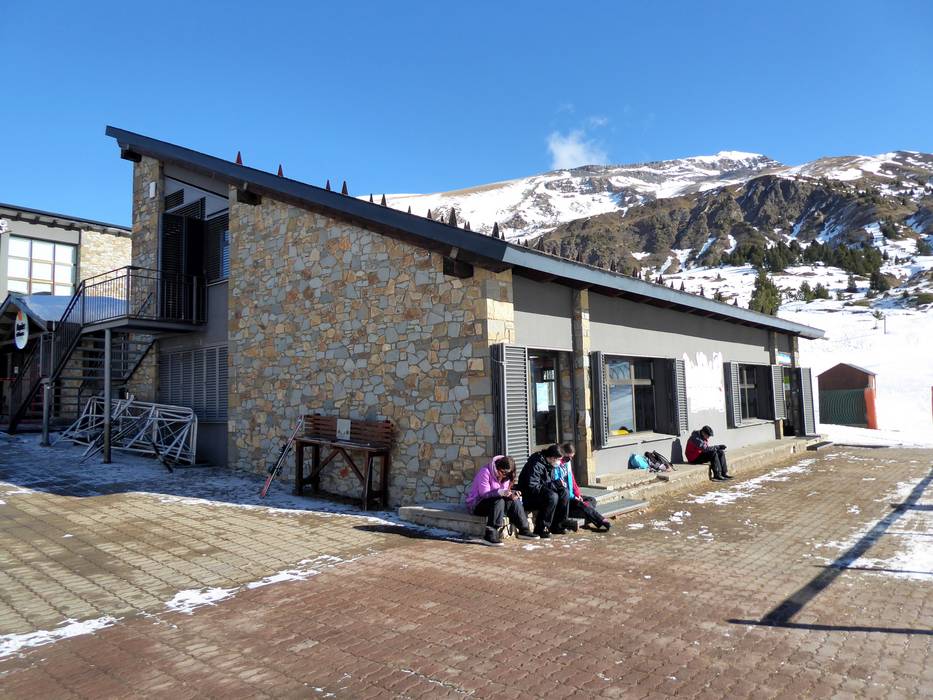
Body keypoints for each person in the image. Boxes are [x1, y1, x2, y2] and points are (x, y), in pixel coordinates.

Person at [467, 455, 538, 546]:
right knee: (498, 501)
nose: (504, 475)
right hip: (478, 504)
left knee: (514, 500)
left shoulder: (507, 477)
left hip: (497, 505)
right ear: (497, 467)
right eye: (502, 472)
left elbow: (505, 492)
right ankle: (490, 534)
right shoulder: (485, 472)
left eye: (507, 473)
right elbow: (484, 494)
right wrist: (499, 492)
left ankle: (524, 529)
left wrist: (511, 494)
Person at [517, 444, 571, 538]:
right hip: (529, 497)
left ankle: (559, 525)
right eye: (559, 459)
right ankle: (542, 528)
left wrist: (558, 484)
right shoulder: (536, 464)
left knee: (564, 492)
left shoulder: (550, 464)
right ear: (553, 458)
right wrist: (553, 485)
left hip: (542, 492)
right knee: (552, 496)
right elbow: (532, 486)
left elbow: (548, 483)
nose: (560, 462)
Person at [559, 442, 611, 531]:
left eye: (571, 458)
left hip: (572, 496)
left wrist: (578, 494)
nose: (570, 460)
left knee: (592, 500)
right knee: (581, 504)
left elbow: (572, 481)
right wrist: (574, 497)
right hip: (565, 499)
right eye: (568, 457)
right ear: (562, 454)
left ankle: (585, 510)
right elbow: (562, 487)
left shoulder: (567, 464)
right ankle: (601, 520)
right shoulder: (557, 466)